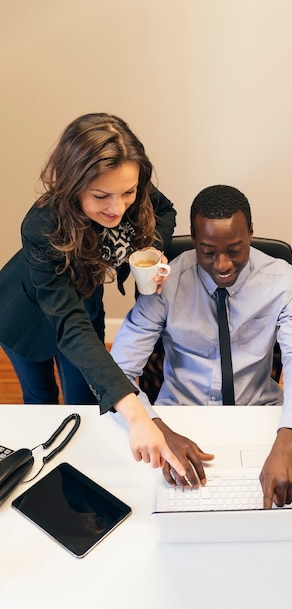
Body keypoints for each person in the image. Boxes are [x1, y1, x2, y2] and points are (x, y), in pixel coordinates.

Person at [110, 184, 292, 508]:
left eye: (235, 250)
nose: (222, 264)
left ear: (251, 233)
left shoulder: (283, 281)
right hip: (178, 420)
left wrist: (289, 439)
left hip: (259, 420)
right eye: (208, 252)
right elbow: (117, 372)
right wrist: (156, 427)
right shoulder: (166, 284)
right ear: (194, 241)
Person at [0, 113, 185, 477]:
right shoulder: (40, 226)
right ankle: (47, 473)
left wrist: (153, 250)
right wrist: (136, 413)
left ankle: (81, 471)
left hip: (82, 308)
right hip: (23, 317)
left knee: (84, 400)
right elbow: (68, 325)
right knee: (40, 399)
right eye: (101, 196)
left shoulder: (132, 183)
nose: (118, 209)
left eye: (128, 193)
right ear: (72, 184)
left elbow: (165, 210)